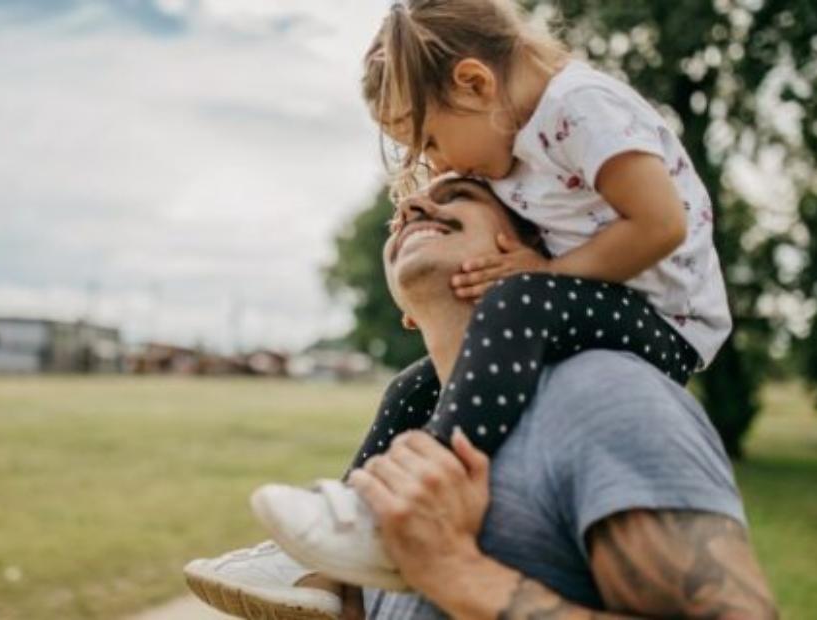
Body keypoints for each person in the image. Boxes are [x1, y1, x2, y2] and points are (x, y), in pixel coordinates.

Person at [250, 0, 733, 589]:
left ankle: (425, 498)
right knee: (411, 387)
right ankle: (345, 534)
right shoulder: (512, 138)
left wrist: (545, 271)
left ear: (475, 83)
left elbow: (660, 225)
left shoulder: (582, 107)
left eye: (430, 141)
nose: (436, 166)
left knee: (521, 297)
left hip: (668, 322)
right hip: (602, 301)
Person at [184, 175, 777, 619]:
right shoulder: (409, 430)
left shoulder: (604, 395)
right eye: (399, 218)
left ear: (531, 246)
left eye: (460, 195)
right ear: (404, 311)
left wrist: (455, 571)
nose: (412, 208)